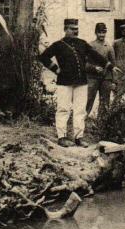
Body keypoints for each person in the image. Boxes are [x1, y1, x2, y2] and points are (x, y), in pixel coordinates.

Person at [39, 19, 115, 147]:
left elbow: (95, 55)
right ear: (65, 29)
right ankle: (62, 137)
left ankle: (78, 137)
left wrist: (109, 65)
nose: (76, 31)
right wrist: (56, 69)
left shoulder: (82, 43)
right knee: (63, 109)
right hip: (64, 82)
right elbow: (43, 57)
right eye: (72, 29)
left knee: (80, 110)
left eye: (77, 29)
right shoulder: (58, 45)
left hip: (81, 82)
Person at [86, 23, 118, 115]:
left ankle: (102, 121)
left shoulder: (109, 47)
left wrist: (114, 81)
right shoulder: (90, 45)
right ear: (96, 33)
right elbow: (85, 63)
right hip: (92, 78)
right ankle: (83, 119)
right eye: (99, 32)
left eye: (103, 32)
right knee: (89, 99)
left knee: (105, 102)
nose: (101, 35)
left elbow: (113, 65)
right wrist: (94, 68)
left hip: (106, 78)